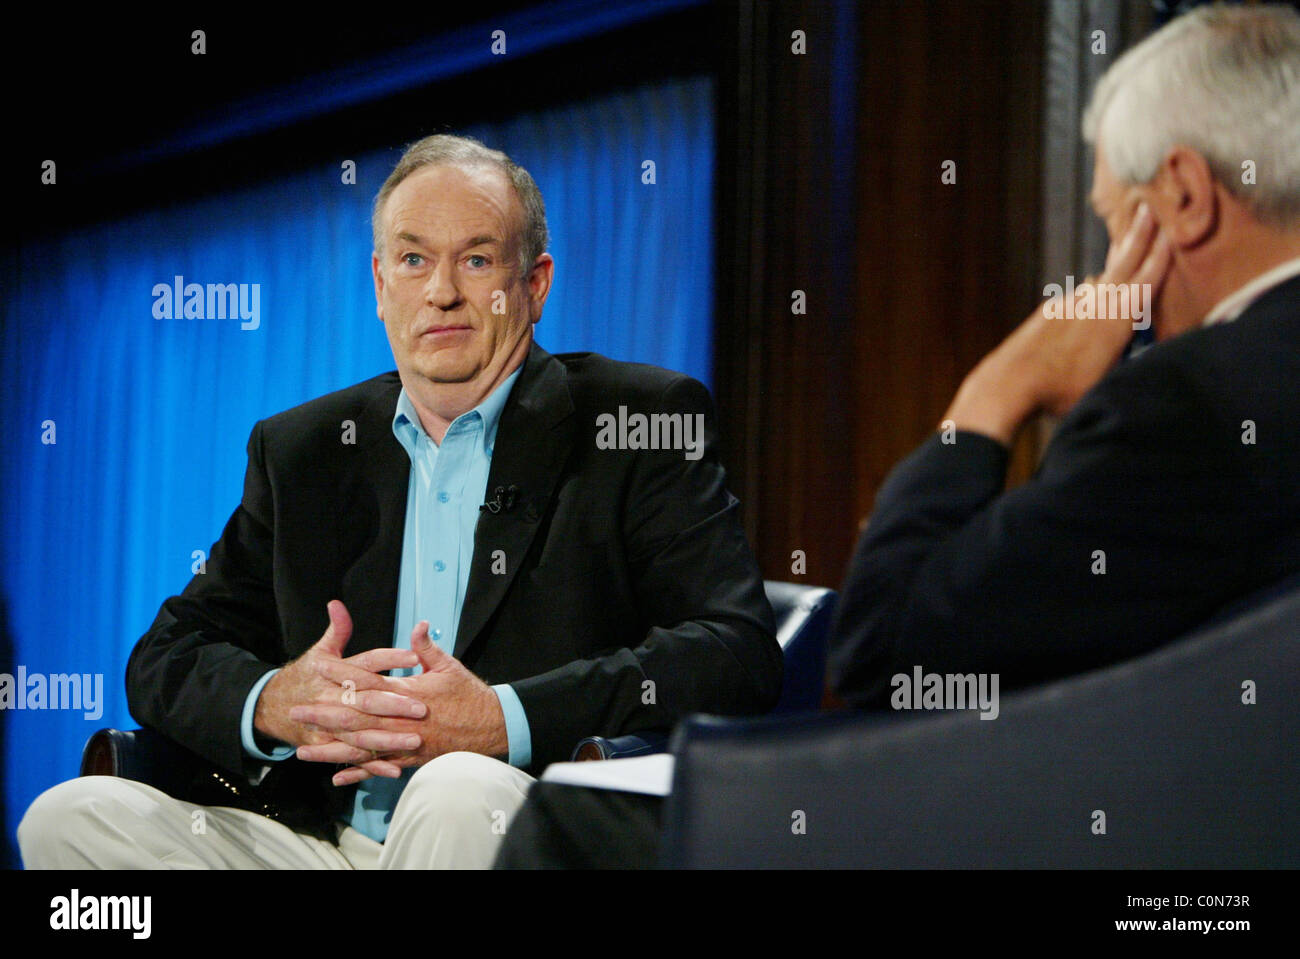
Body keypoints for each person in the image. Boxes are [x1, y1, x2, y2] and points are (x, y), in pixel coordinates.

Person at [493, 2, 1300, 868]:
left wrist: (997, 390)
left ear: (1181, 196)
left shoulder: (1185, 403)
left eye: (1113, 225)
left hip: (1116, 831)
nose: (1110, 279)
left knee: (570, 824)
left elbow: (885, 650)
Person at [17, 134, 781, 869]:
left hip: (513, 822)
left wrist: (503, 719)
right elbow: (166, 655)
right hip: (323, 835)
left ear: (535, 284)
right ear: (382, 287)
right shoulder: (305, 450)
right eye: (414, 260)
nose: (441, 291)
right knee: (69, 817)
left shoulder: (634, 422)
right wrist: (275, 699)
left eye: (476, 259)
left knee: (456, 790)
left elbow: (735, 651)